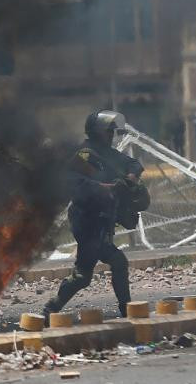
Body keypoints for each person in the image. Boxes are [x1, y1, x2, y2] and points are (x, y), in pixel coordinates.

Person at [42, 111, 146, 320]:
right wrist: (105, 187)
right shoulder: (84, 154)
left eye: (111, 132)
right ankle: (126, 309)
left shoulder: (110, 154)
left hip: (103, 220)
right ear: (97, 132)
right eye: (107, 132)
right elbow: (74, 183)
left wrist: (129, 179)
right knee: (115, 262)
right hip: (87, 220)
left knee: (83, 276)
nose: (111, 136)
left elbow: (134, 165)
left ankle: (51, 308)